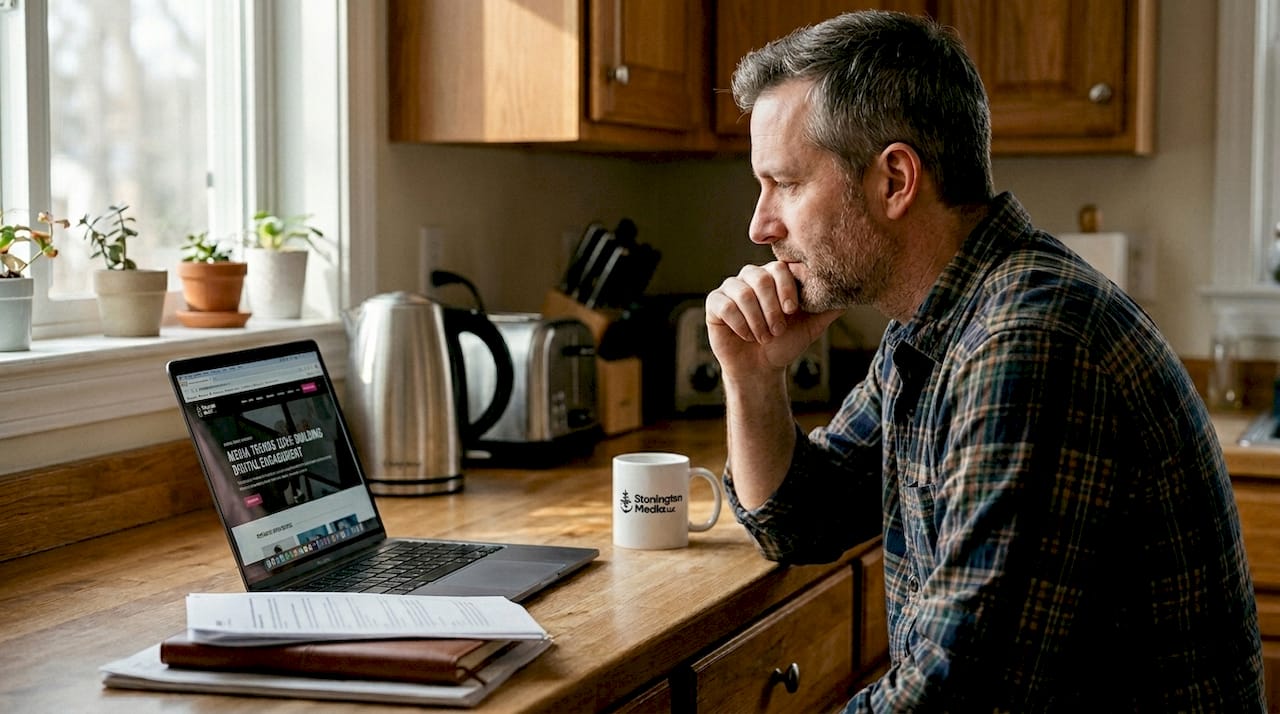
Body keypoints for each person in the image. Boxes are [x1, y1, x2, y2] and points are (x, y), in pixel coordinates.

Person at [706, 10, 1264, 712]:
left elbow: (956, 698)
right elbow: (800, 521)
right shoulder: (937, 325)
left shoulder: (1026, 341)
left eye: (784, 183)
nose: (760, 224)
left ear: (894, 181)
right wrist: (753, 375)